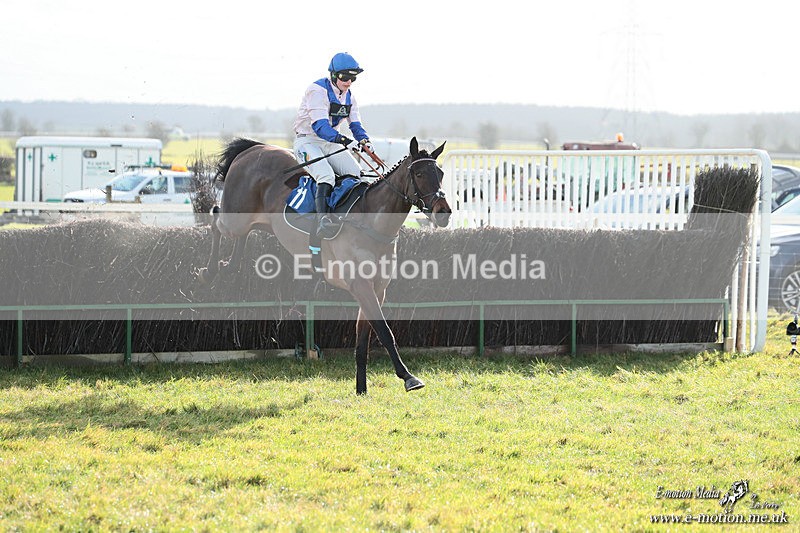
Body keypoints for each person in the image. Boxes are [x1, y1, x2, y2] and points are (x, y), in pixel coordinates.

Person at [293, 52, 375, 238]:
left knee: (357, 175)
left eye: (353, 78)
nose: (349, 82)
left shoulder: (350, 97)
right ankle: (323, 220)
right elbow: (321, 127)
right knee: (326, 175)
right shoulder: (316, 90)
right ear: (333, 75)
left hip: (330, 143)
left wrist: (365, 141)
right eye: (345, 77)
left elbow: (355, 125)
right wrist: (346, 141)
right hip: (307, 141)